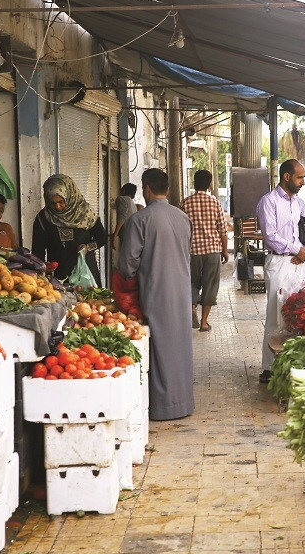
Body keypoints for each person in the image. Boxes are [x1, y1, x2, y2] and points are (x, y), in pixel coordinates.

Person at [118, 168, 194, 420]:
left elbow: (127, 265)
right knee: (180, 345)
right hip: (182, 291)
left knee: (159, 346)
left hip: (155, 290)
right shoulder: (183, 218)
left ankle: (162, 407)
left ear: (146, 189)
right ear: (168, 189)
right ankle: (183, 403)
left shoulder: (139, 220)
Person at [256, 159, 305, 384]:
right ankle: (269, 367)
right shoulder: (268, 201)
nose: (303, 182)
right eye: (299, 177)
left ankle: (296, 363)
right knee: (275, 314)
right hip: (279, 262)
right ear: (286, 177)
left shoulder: (299, 202)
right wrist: (295, 249)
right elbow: (270, 235)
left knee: (300, 313)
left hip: (301, 262)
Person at [32, 174, 108, 287]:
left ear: (69, 195)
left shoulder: (85, 213)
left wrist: (87, 247)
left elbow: (102, 238)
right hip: (58, 278)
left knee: (89, 303)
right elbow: (38, 252)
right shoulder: (43, 219)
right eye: (53, 203)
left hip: (86, 275)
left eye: (61, 201)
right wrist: (42, 271)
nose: (57, 207)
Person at [181, 169, 229, 332]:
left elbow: (182, 230)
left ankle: (193, 308)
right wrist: (225, 251)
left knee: (192, 282)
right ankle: (204, 322)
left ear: (194, 183)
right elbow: (222, 229)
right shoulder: (215, 203)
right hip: (212, 251)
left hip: (192, 251)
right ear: (209, 185)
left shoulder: (185, 203)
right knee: (210, 285)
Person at [111, 183, 139, 250]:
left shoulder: (121, 199)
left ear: (123, 190)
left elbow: (122, 218)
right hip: (134, 236)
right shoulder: (133, 205)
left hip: (127, 237)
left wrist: (115, 235)